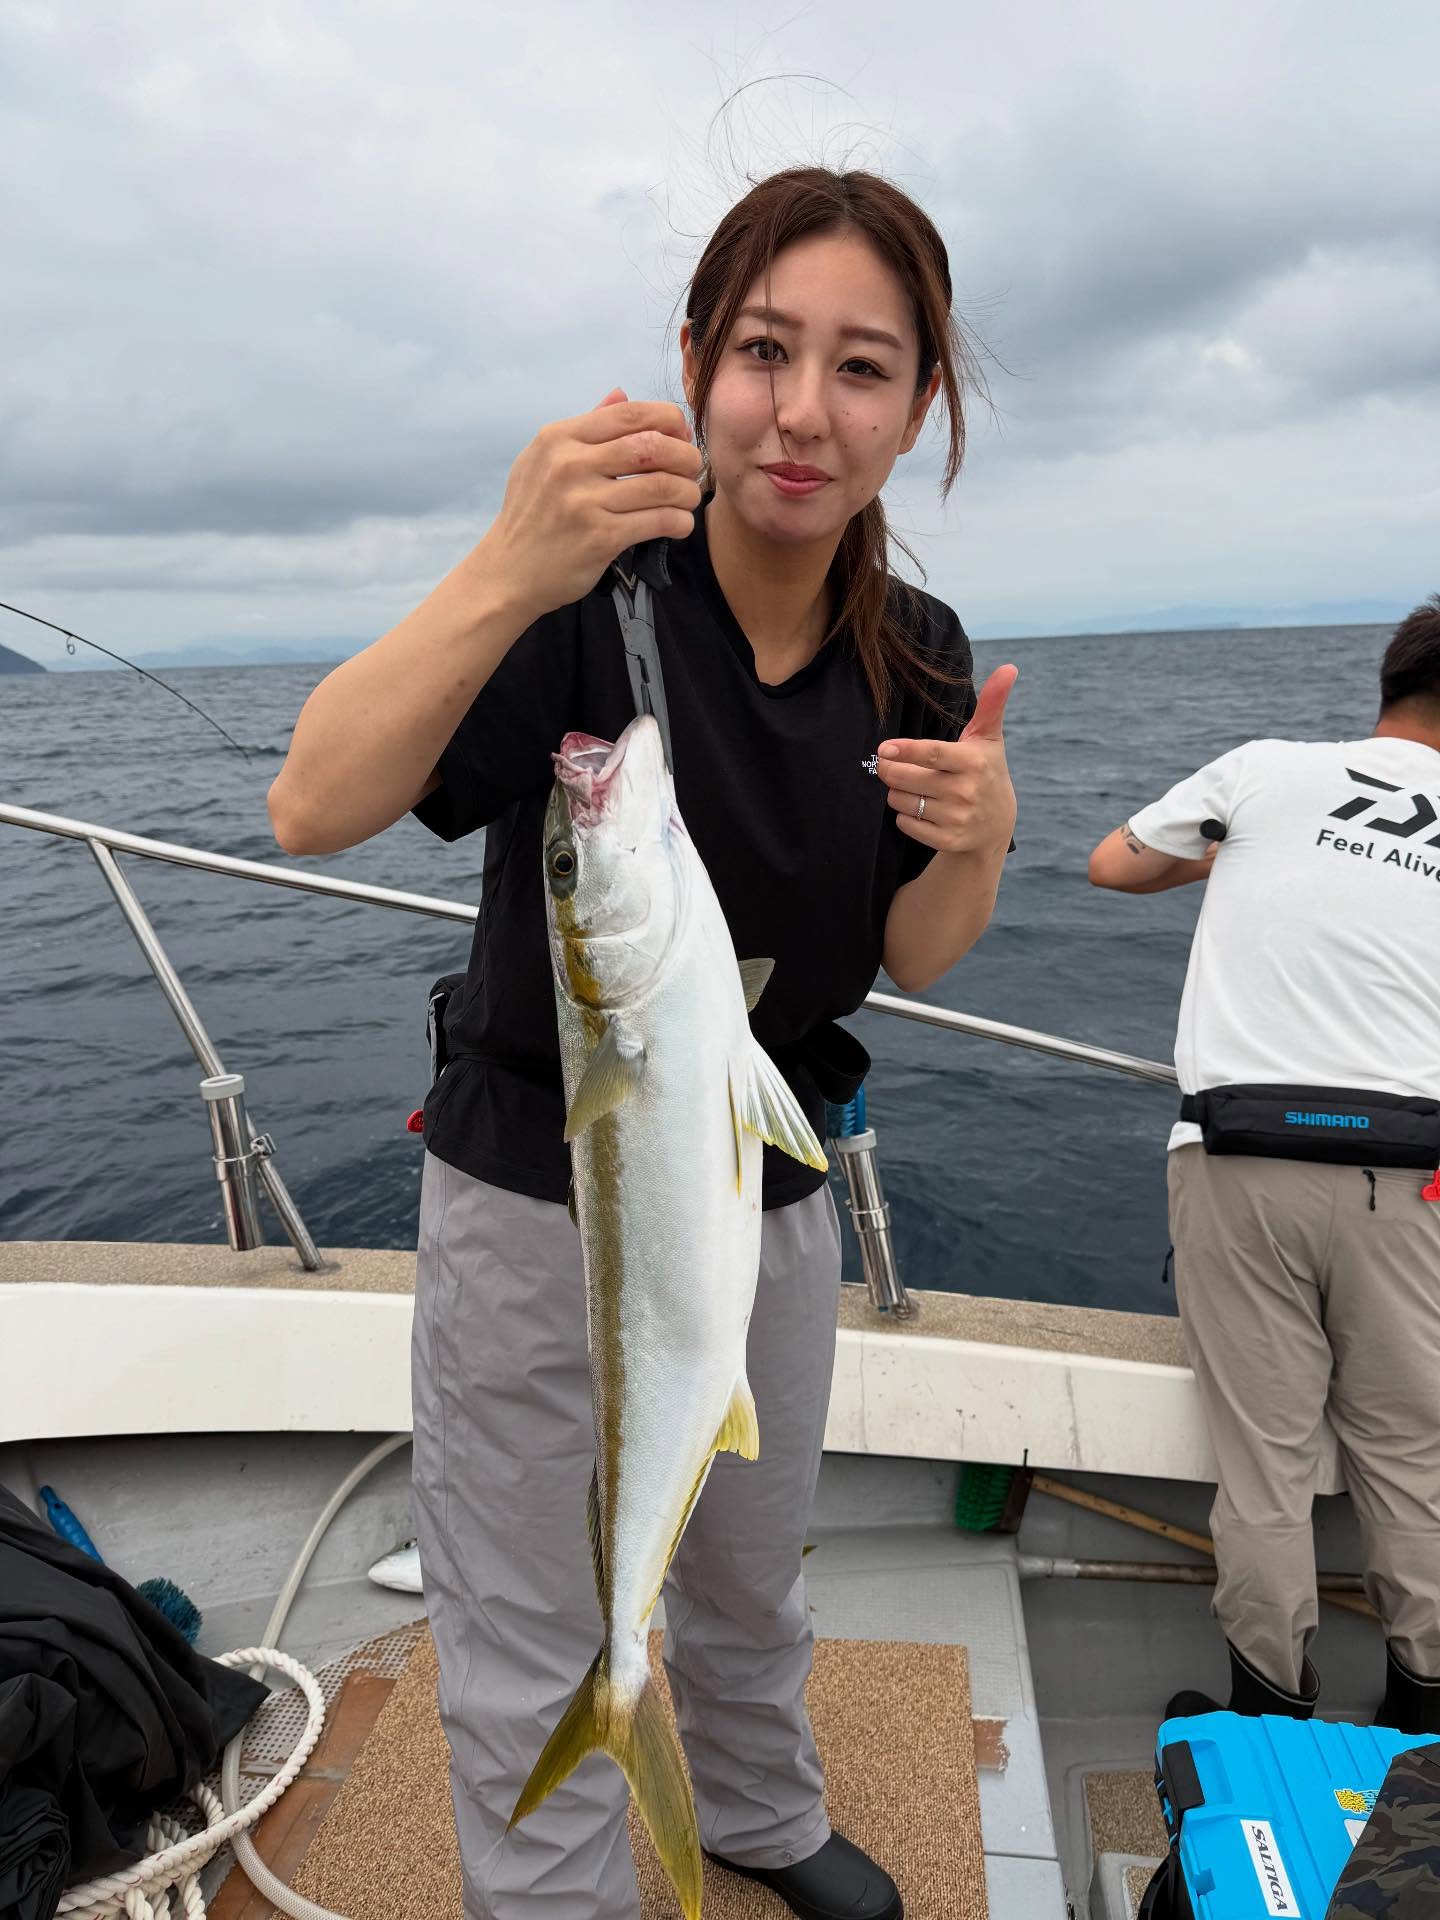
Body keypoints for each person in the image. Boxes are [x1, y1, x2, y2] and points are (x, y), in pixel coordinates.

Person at [268, 167, 1017, 1920]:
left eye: (862, 367)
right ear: (693, 359)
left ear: (919, 411)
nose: (802, 409)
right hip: (543, 1188)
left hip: (762, 1188)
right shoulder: (579, 606)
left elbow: (910, 949)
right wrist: (511, 560)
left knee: (753, 1565)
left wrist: (977, 838)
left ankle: (753, 1811)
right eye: (764, 350)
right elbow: (314, 801)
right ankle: (562, 1897)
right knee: (532, 1607)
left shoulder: (914, 656)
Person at [1088, 596, 1440, 1734]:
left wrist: (1240, 859)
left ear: (1387, 685)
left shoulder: (1264, 768)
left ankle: (1268, 1715)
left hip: (1237, 1159)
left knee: (1266, 1468)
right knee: (1415, 1456)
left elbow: (1110, 866)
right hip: (1416, 1177)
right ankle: (1427, 1714)